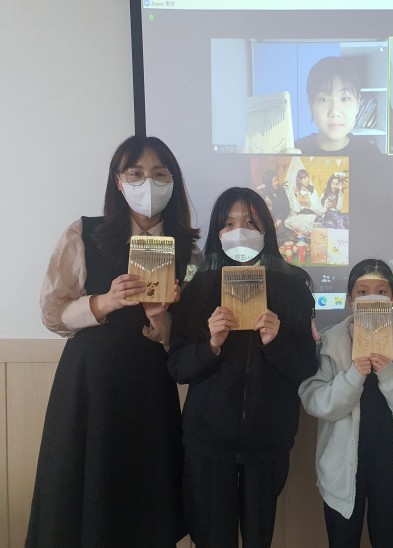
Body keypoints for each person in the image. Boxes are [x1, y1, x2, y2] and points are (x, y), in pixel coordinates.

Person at [29, 135, 201, 547]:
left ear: (174, 181)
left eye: (160, 174)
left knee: (145, 498)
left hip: (151, 388)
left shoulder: (190, 252)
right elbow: (53, 313)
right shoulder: (84, 233)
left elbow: (187, 337)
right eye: (135, 174)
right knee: (82, 492)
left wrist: (163, 322)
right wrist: (104, 301)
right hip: (91, 385)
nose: (148, 183)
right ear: (118, 182)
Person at [167, 187, 317, 548]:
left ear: (267, 229)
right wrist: (211, 346)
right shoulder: (197, 289)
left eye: (250, 222)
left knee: (258, 538)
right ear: (216, 233)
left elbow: (306, 366)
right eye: (228, 223)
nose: (239, 231)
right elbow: (178, 367)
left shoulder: (295, 287)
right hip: (208, 442)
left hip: (268, 442)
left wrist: (276, 342)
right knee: (211, 537)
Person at [299, 259, 393, 548]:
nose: (371, 298)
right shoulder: (330, 341)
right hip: (342, 470)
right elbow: (315, 401)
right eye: (362, 292)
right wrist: (353, 376)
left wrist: (390, 374)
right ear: (350, 300)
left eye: (381, 291)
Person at [294, 56, 380, 156]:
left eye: (345, 99)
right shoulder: (295, 152)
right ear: (310, 106)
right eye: (324, 99)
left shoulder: (371, 155)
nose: (334, 112)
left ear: (358, 104)